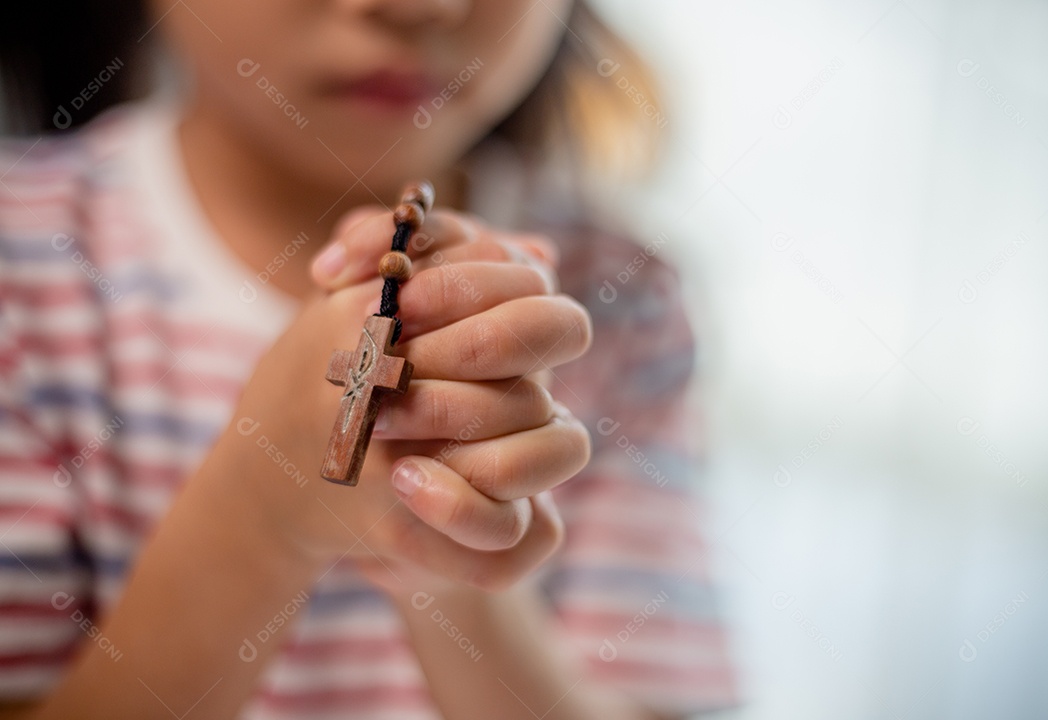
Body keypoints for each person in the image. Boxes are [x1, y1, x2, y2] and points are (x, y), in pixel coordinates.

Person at [0, 1, 739, 717]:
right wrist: (259, 516)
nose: (417, 7)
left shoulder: (621, 298)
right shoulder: (22, 261)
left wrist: (455, 573)